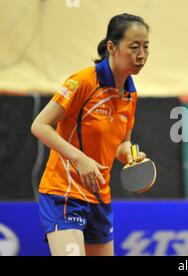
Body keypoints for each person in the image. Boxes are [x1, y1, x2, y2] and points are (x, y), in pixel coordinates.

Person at [31, 13, 150, 256]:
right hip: (64, 192)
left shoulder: (130, 94)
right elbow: (40, 125)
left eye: (146, 47)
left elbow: (122, 144)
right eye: (134, 47)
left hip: (99, 196)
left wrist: (129, 155)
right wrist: (79, 158)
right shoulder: (83, 82)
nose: (141, 55)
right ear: (112, 47)